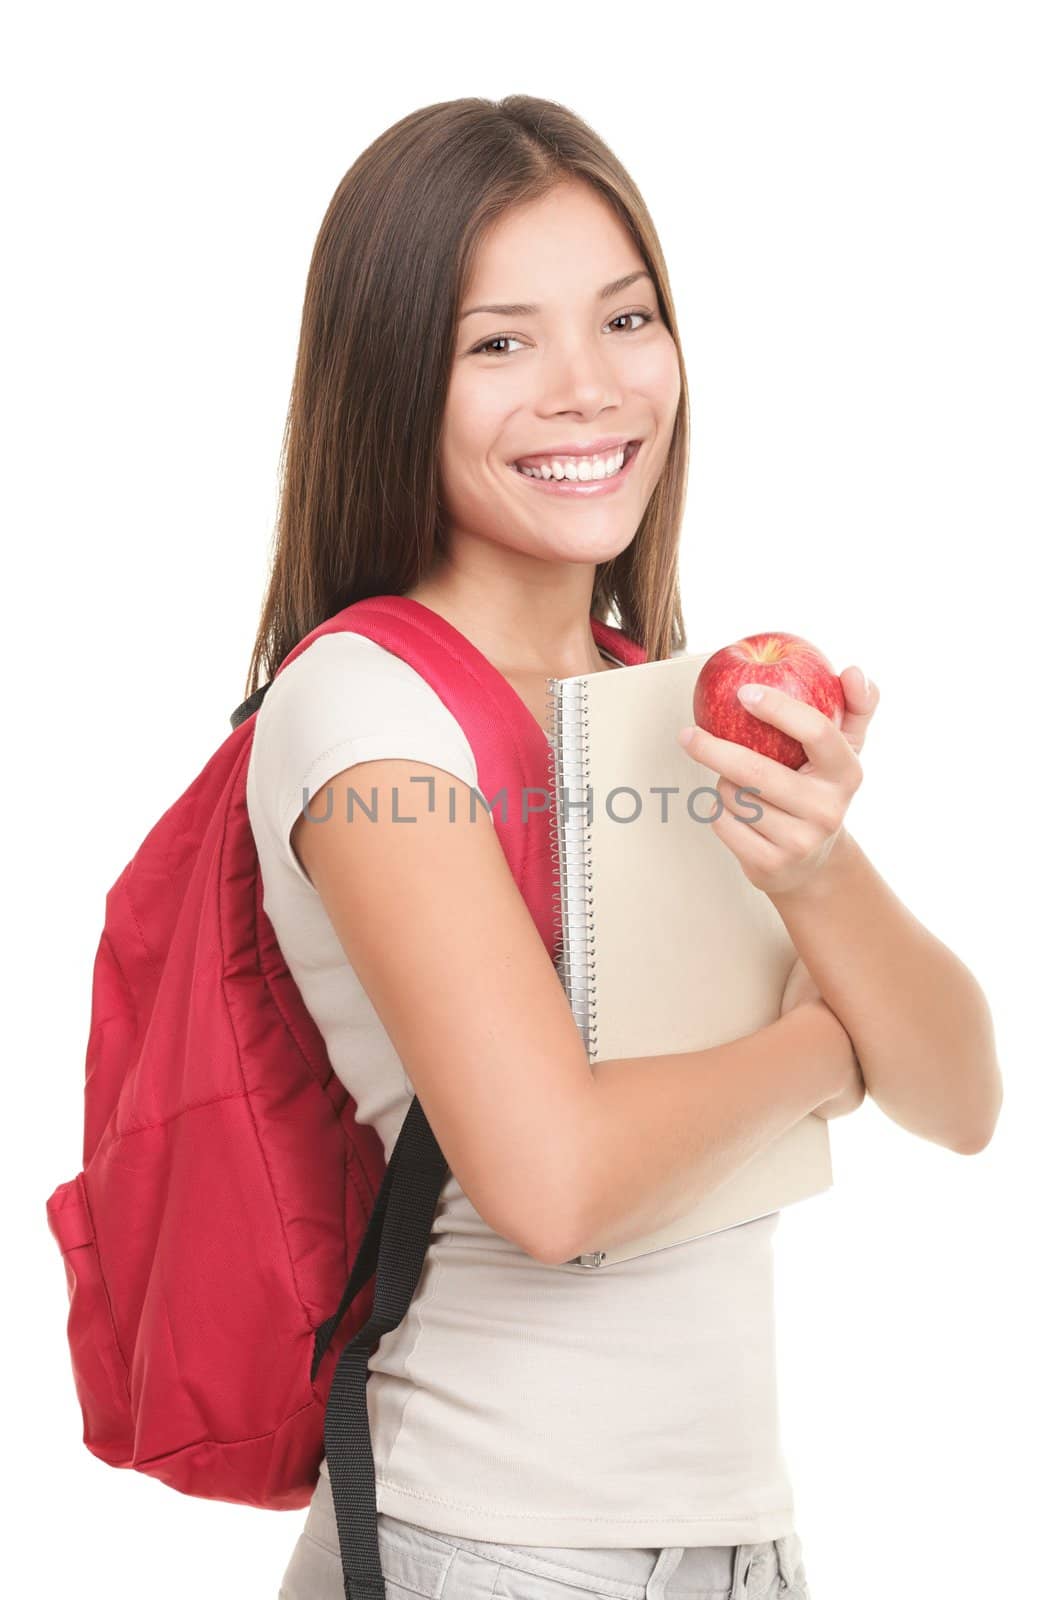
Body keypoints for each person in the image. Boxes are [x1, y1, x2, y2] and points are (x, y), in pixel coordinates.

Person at [243, 95, 1001, 1600]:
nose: (588, 390)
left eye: (626, 318)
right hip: (497, 1545)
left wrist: (813, 872)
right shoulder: (367, 711)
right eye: (499, 342)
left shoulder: (642, 696)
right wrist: (814, 1053)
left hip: (734, 1545)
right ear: (394, 379)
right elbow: (555, 1180)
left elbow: (962, 1094)